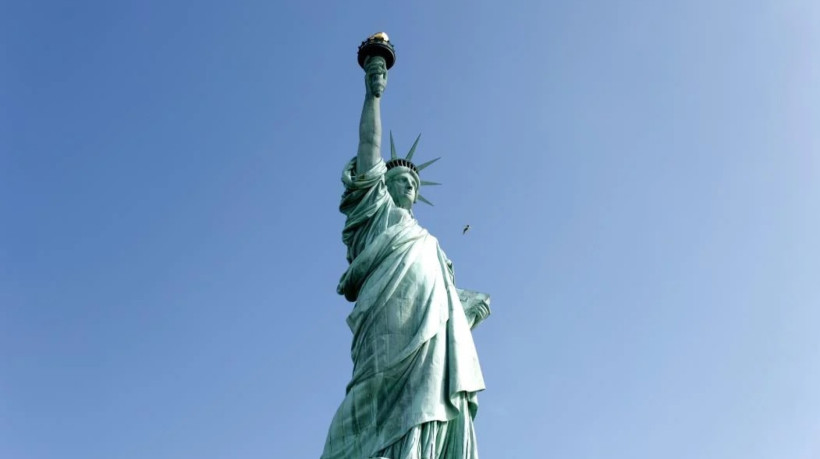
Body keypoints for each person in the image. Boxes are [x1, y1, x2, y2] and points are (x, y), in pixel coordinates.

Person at [320, 55, 488, 459]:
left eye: (413, 181)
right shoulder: (376, 214)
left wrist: (466, 310)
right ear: (383, 185)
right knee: (366, 401)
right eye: (398, 178)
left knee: (429, 402)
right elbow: (368, 147)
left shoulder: (430, 244)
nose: (408, 184)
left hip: (430, 338)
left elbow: (447, 305)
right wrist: (372, 95)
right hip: (385, 327)